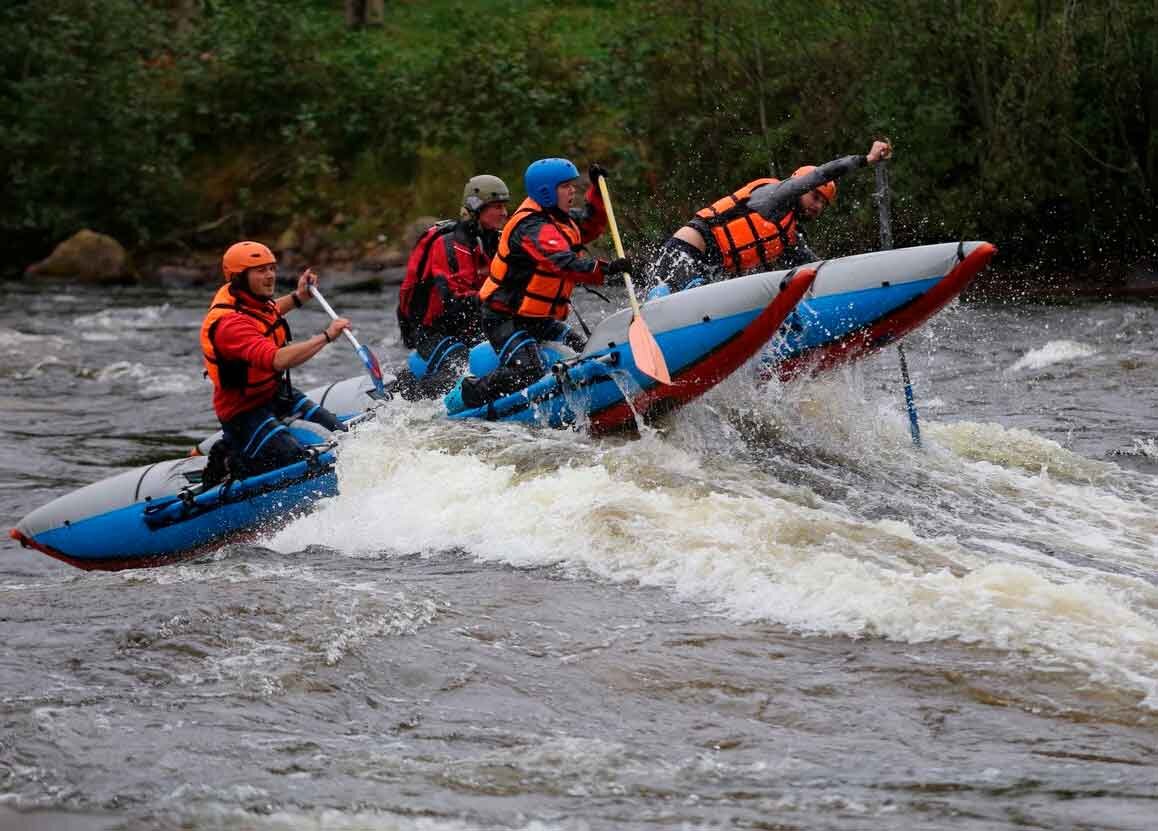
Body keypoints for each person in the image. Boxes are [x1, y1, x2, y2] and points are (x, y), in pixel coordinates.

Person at [445, 158, 632, 412]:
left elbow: (592, 221)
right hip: (503, 318)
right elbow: (562, 262)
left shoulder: (560, 219)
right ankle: (469, 392)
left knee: (584, 347)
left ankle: (591, 392)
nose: (572, 190)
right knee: (529, 369)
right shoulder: (530, 227)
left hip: (536, 318)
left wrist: (597, 191)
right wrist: (606, 269)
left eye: (573, 185)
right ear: (546, 191)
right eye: (565, 186)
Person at [647, 140, 893, 296]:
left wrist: (865, 285)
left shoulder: (789, 236)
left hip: (707, 271)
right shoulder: (774, 196)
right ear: (800, 186)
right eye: (815, 196)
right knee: (680, 294)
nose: (818, 206)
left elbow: (816, 271)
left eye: (823, 203)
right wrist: (866, 160)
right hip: (683, 254)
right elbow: (822, 173)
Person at [200, 241, 350, 482]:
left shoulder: (250, 302)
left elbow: (271, 313)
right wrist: (326, 336)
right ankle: (231, 457)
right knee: (294, 457)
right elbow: (277, 360)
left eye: (271, 268)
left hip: (274, 393)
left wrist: (299, 297)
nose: (270, 275)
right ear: (239, 277)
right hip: (243, 411)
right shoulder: (230, 324)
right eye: (261, 270)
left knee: (340, 432)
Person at [394, 174, 510, 399]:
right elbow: (454, 302)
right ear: (477, 208)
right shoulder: (447, 245)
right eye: (497, 206)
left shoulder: (495, 241)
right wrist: (497, 299)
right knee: (461, 369)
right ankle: (407, 399)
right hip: (432, 331)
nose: (504, 213)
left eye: (505, 206)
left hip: (471, 325)